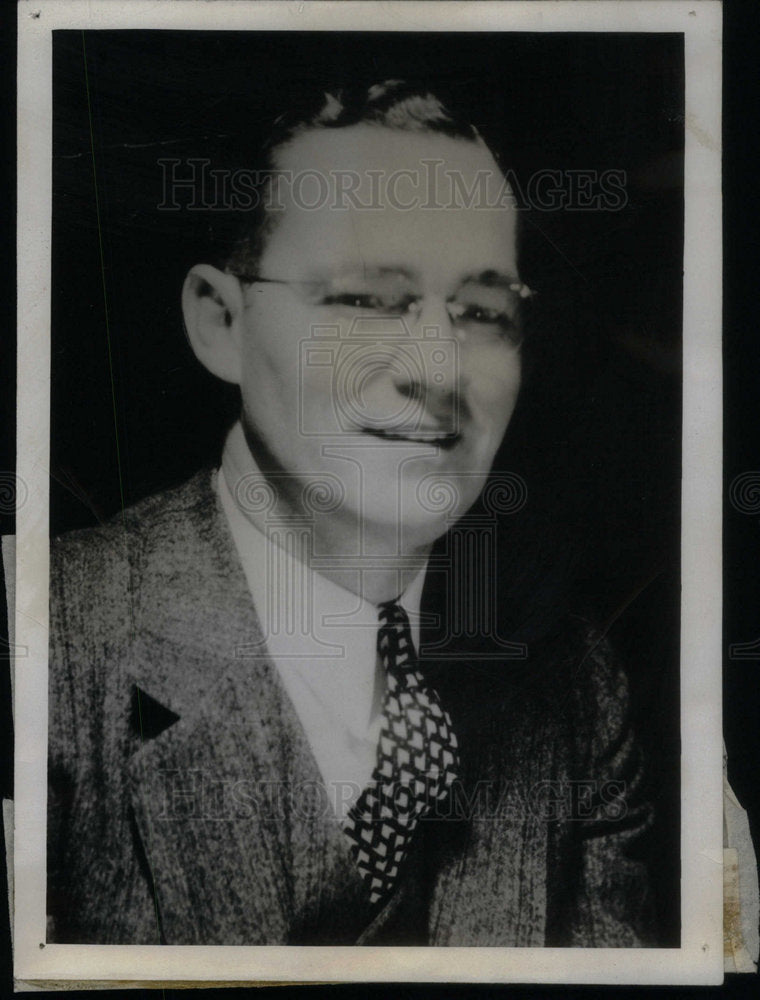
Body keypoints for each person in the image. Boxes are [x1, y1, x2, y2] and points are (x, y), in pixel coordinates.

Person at [47, 80, 656, 946]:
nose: (439, 367)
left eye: (483, 312)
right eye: (368, 300)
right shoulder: (47, 647)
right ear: (220, 322)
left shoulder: (575, 687)